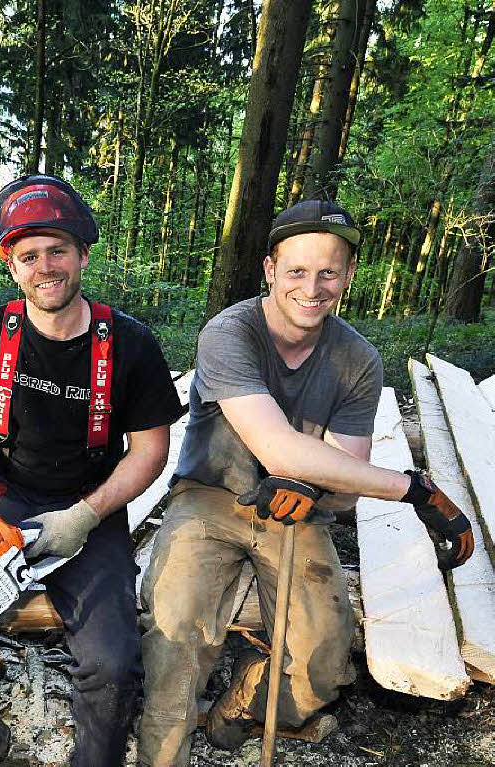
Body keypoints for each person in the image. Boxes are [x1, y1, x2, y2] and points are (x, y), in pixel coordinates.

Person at [136, 199, 475, 766]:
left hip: (299, 510)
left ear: (347, 276)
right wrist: (414, 489)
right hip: (210, 496)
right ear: (270, 270)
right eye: (296, 271)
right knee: (176, 641)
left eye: (328, 273)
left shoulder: (357, 359)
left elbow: (345, 484)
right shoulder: (230, 333)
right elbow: (276, 448)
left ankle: (241, 709)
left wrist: (313, 487)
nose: (311, 288)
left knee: (322, 661)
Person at [0, 174, 186, 766]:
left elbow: (150, 450)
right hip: (6, 494)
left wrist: (87, 514)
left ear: (82, 255)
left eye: (57, 250)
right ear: (11, 264)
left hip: (90, 507)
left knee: (110, 662)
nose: (45, 266)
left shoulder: (130, 343)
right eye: (29, 256)